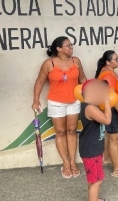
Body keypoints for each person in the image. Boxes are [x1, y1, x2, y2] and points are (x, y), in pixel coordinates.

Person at [32, 36, 86, 179]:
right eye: (68, 46)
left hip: (74, 101)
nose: (71, 48)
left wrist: (88, 95)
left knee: (72, 130)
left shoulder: (76, 61)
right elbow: (39, 82)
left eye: (71, 45)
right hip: (56, 102)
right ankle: (66, 163)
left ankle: (73, 162)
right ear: (59, 49)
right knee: (61, 132)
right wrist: (35, 100)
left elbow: (83, 79)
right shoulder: (48, 63)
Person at [79, 78, 112, 201]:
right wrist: (107, 102)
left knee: (94, 178)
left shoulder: (90, 106)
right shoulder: (90, 107)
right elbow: (107, 121)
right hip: (90, 149)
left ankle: (93, 200)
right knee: (96, 180)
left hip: (94, 147)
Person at [95, 50, 118, 178]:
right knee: (114, 140)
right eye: (116, 59)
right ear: (107, 62)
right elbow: (111, 96)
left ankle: (107, 159)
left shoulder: (109, 71)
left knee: (111, 137)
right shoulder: (107, 75)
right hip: (113, 110)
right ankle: (117, 169)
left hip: (113, 108)